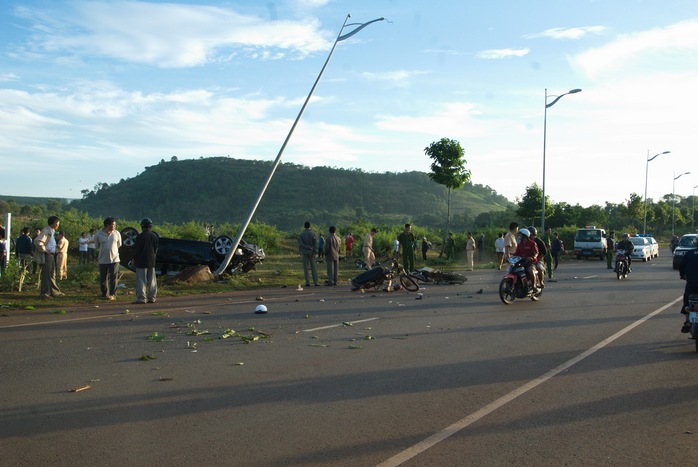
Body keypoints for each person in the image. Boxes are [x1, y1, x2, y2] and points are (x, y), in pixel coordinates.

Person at [34, 215, 63, 298]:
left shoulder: (51, 231)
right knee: (47, 274)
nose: (58, 225)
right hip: (47, 255)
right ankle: (45, 293)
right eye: (57, 223)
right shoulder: (46, 230)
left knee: (51, 274)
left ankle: (53, 291)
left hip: (51, 255)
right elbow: (38, 241)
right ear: (54, 223)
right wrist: (45, 250)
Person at [95, 217, 122, 300]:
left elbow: (119, 244)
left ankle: (113, 293)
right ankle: (104, 293)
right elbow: (97, 245)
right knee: (103, 277)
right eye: (112, 225)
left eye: (114, 225)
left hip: (114, 259)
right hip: (103, 259)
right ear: (107, 225)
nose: (114, 226)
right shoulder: (99, 234)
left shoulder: (117, 233)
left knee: (114, 277)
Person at [132, 218, 159, 304]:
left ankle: (141, 298)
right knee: (152, 280)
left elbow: (136, 250)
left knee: (141, 280)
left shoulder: (140, 237)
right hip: (151, 260)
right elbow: (156, 249)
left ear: (142, 226)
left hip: (141, 261)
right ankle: (152, 297)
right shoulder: (154, 236)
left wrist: (134, 259)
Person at [513, 228, 539, 292]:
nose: (519, 236)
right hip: (521, 262)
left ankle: (534, 286)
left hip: (530, 263)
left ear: (525, 235)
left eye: (520, 235)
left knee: (530, 271)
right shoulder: (519, 245)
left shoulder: (532, 243)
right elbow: (516, 254)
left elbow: (536, 253)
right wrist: (511, 257)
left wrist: (532, 257)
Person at [679, 247, 698, 333]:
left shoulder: (690, 253)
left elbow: (681, 265)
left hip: (692, 285)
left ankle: (687, 321)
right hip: (691, 284)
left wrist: (682, 275)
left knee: (687, 299)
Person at [298, 221, 319, 287]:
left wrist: (305, 248)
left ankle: (307, 282)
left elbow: (300, 244)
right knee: (314, 267)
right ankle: (316, 282)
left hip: (305, 252)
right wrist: (314, 251)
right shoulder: (313, 234)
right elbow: (315, 244)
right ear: (310, 226)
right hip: (312, 252)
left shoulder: (301, 234)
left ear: (304, 226)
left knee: (306, 268)